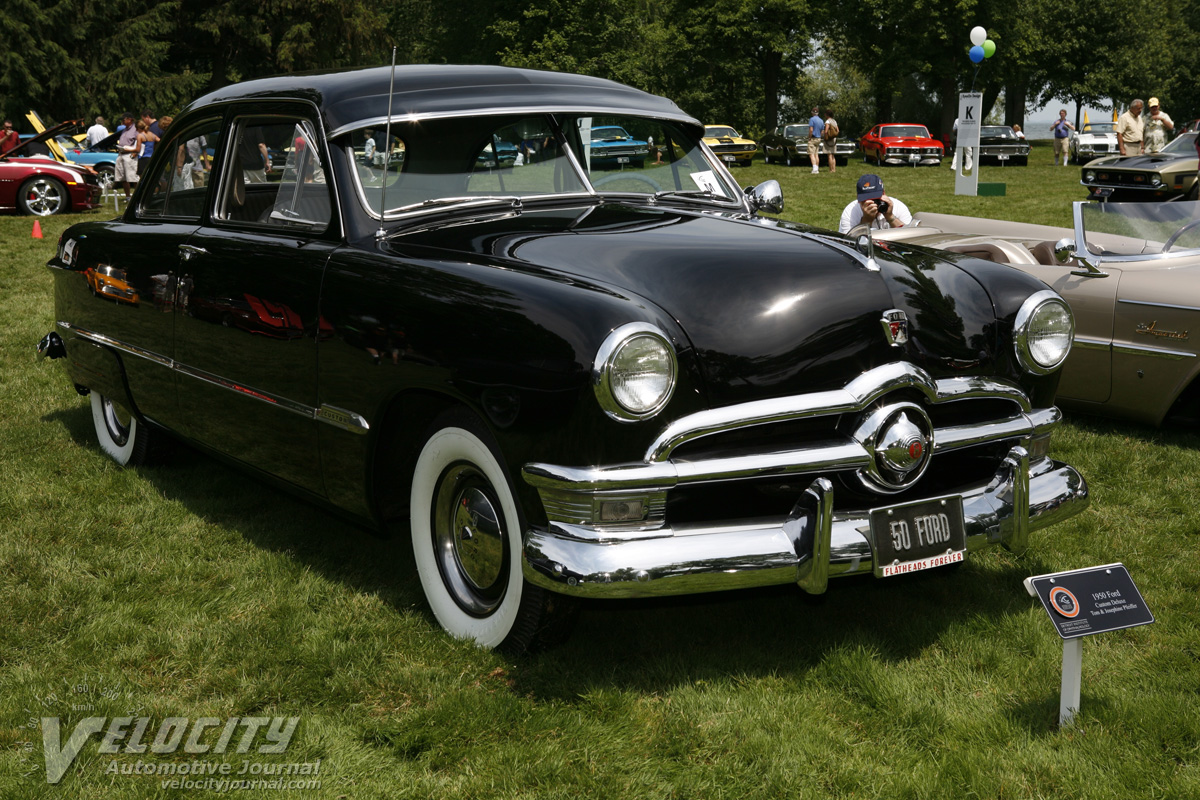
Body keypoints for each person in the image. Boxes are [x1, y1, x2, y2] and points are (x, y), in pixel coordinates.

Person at [838, 174, 912, 234]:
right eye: (866, 200)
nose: (873, 204)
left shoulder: (898, 206)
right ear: (858, 199)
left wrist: (890, 217)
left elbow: (910, 237)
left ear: (884, 193)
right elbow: (848, 244)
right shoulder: (850, 212)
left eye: (875, 199)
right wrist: (866, 221)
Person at [113, 113, 139, 197]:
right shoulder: (124, 129)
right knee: (122, 177)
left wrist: (135, 153)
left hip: (129, 155)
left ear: (130, 119)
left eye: (123, 119)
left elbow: (139, 142)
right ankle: (128, 196)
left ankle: (137, 196)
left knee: (133, 177)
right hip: (121, 154)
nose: (122, 121)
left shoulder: (135, 129)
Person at [137, 109, 162, 176]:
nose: (143, 122)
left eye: (143, 119)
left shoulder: (153, 128)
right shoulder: (159, 125)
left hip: (151, 157)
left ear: (147, 117)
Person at [807, 106, 825, 174]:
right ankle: (817, 168)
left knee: (811, 154)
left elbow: (811, 130)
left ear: (812, 112)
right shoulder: (821, 120)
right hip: (819, 138)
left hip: (813, 138)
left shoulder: (811, 119)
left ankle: (814, 168)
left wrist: (809, 137)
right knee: (816, 154)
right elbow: (822, 131)